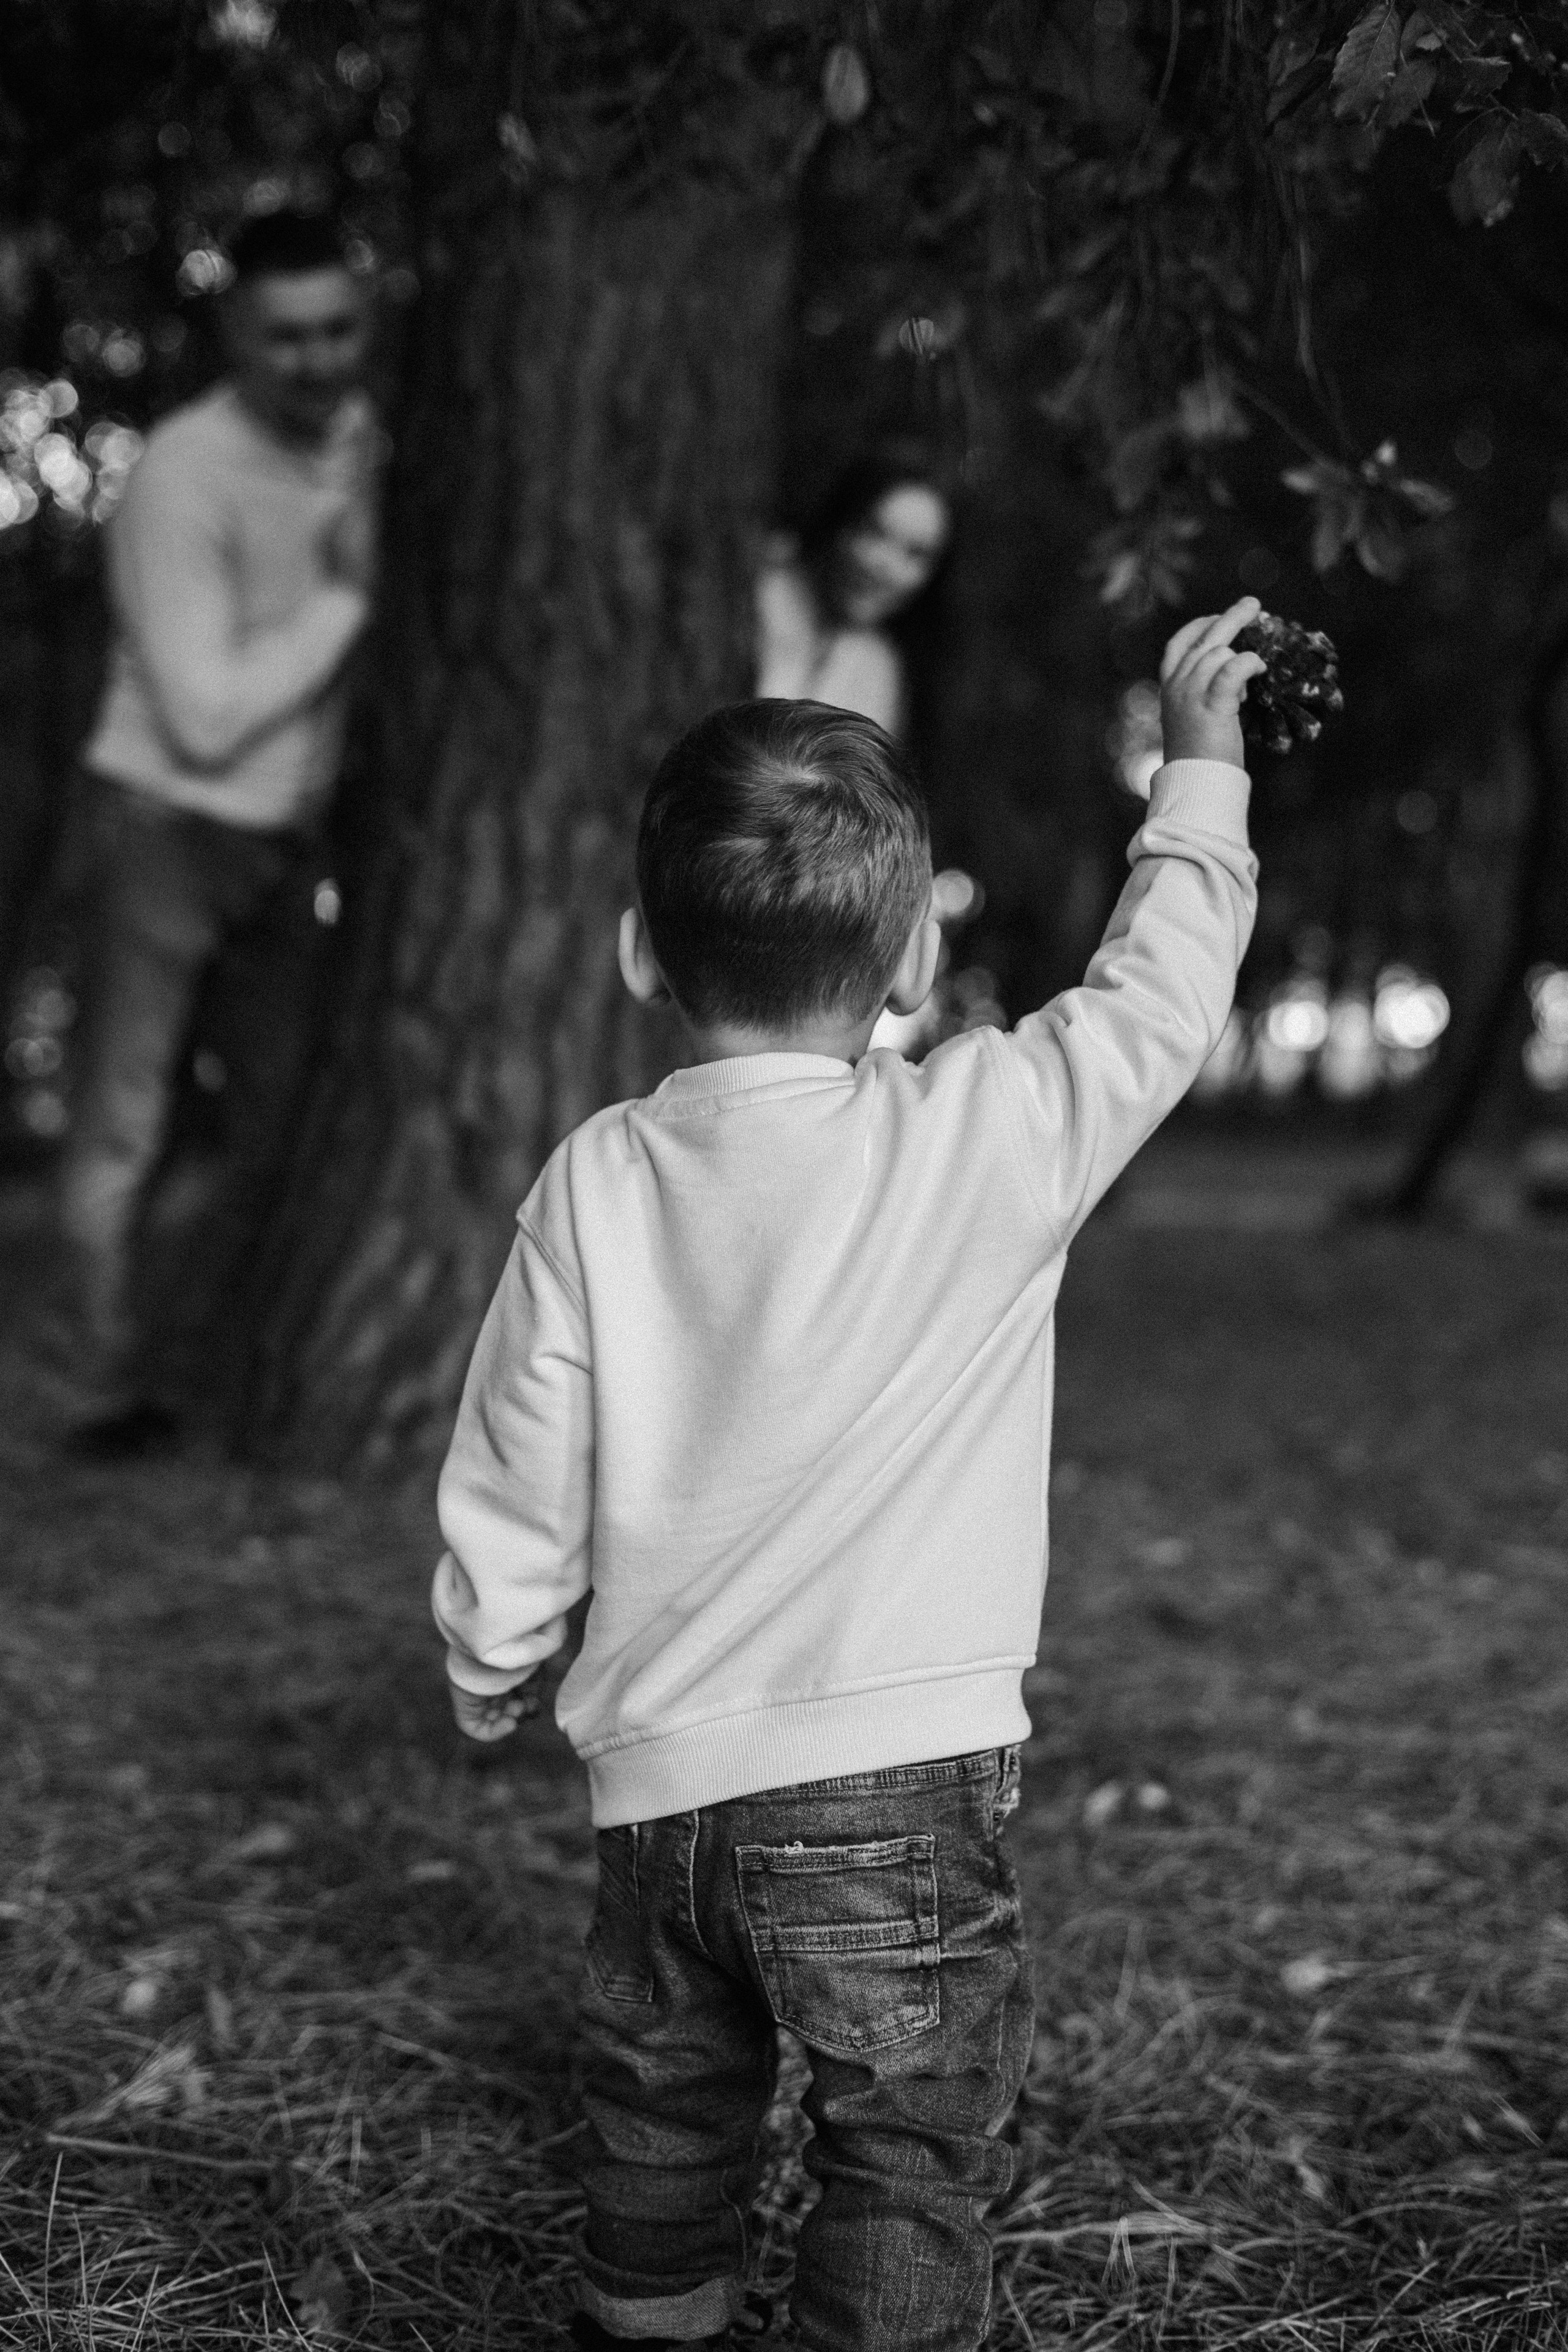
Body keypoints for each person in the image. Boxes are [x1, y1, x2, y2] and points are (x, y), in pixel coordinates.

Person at [431, 601, 1266, 2352]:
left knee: (661, 2137)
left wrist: (494, 1648)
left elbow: (522, 1436)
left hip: (657, 1789)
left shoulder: (598, 1177)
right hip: (897, 1785)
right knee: (901, 2155)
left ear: (638, 955)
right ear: (904, 971)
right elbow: (1159, 998)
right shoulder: (989, 1132)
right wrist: (1200, 773)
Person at [57, 207, 377, 1455]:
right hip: (165, 824)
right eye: (286, 338)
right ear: (237, 338)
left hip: (284, 846)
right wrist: (348, 594)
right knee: (123, 1126)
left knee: (279, 1123)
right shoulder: (183, 475)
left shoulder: (362, 442)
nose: (318, 359)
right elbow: (198, 716)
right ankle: (100, 1394)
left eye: (338, 329)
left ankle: (190, 1369)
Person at [754, 454, 951, 737]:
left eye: (915, 554)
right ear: (841, 519)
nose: (885, 566)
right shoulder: (763, 586)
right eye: (875, 532)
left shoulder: (880, 668)